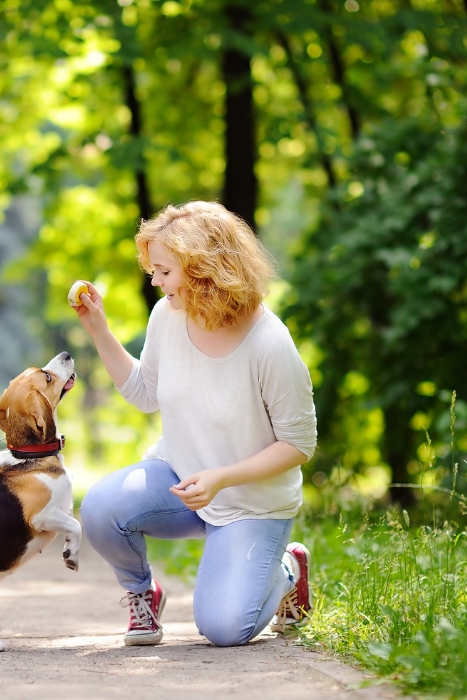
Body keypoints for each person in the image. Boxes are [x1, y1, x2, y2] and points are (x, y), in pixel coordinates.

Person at [70, 200, 316, 647]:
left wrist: (222, 478)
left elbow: (299, 444)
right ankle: (143, 596)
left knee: (224, 630)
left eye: (164, 271)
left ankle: (287, 569)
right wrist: (99, 332)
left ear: (204, 268)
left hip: (250, 502)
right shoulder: (168, 315)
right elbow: (145, 393)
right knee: (101, 509)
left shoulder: (270, 343)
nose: (155, 281)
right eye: (152, 271)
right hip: (180, 481)